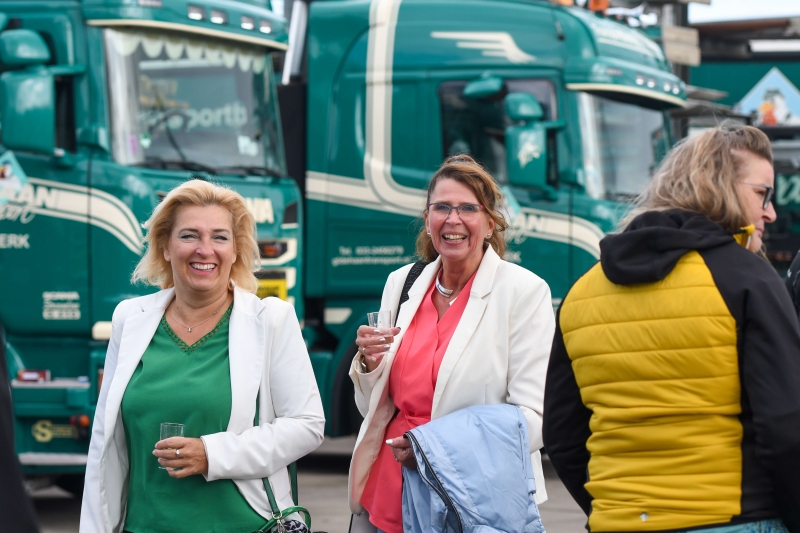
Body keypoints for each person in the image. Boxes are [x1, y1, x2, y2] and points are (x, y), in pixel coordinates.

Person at [543, 124, 800, 533]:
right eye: (762, 194)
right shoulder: (748, 279)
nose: (770, 212)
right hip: (732, 519)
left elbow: (561, 435)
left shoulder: (583, 291)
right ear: (720, 186)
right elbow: (786, 427)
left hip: (617, 521)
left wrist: (614, 507)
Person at [80, 179, 325, 533]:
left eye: (220, 237)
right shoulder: (130, 319)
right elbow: (105, 445)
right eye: (189, 235)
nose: (205, 249)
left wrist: (212, 454)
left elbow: (307, 425)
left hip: (244, 526)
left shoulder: (270, 319)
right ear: (165, 247)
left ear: (236, 250)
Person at [347, 155, 555, 533]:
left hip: (473, 502)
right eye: (441, 207)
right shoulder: (402, 283)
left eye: (468, 209)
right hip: (389, 490)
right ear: (427, 220)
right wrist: (370, 364)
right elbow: (372, 409)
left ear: (490, 224)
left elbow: (535, 420)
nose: (453, 219)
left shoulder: (523, 292)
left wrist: (432, 452)